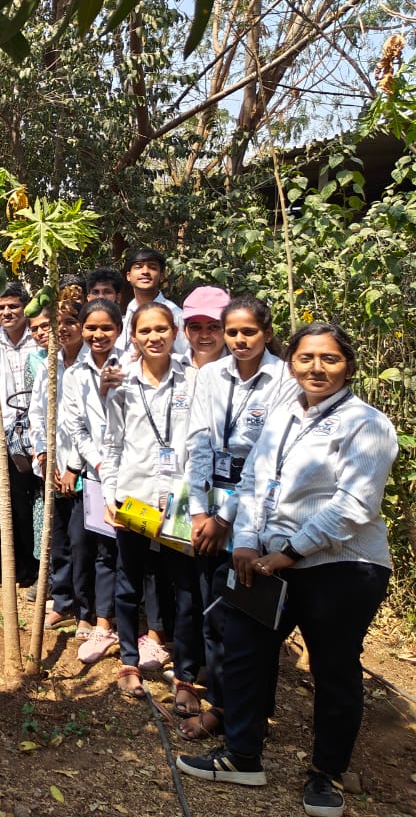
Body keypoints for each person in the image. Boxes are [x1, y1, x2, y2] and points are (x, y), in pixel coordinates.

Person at [178, 323, 397, 817]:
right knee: (243, 651)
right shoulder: (283, 416)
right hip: (269, 562)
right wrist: (246, 541)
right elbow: (253, 482)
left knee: (333, 668)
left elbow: (354, 504)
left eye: (329, 359)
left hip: (340, 567)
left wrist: (290, 553)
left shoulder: (366, 423)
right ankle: (242, 755)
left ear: (348, 366)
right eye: (306, 358)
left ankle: (326, 774)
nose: (316, 368)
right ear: (292, 362)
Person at [178, 295, 290, 741]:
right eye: (233, 332)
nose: (240, 340)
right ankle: (224, 705)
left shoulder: (284, 378)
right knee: (213, 609)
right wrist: (199, 510)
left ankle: (247, 712)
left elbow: (267, 458)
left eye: (249, 331)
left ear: (266, 333)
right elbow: (199, 441)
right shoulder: (211, 375)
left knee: (249, 616)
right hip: (212, 502)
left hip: (257, 508)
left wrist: (225, 518)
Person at [100, 302, 199, 700]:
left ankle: (186, 674)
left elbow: (200, 447)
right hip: (134, 497)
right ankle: (129, 660)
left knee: (184, 589)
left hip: (179, 501)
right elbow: (113, 442)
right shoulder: (121, 383)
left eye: (161, 329)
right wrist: (110, 495)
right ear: (133, 336)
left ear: (175, 332)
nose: (154, 337)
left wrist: (182, 500)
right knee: (127, 582)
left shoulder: (193, 380)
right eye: (145, 331)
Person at [61, 298, 123, 660]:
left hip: (129, 473)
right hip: (95, 472)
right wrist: (95, 462)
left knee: (114, 551)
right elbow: (76, 427)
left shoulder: (131, 365)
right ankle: (90, 615)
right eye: (91, 327)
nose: (98, 334)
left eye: (106, 328)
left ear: (119, 330)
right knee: (85, 544)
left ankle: (109, 619)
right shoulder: (74, 374)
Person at [26, 285, 86, 629]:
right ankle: (62, 602)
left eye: (70, 322)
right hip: (52, 465)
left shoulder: (93, 366)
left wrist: (72, 467)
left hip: (83, 470)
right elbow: (37, 412)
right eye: (57, 323)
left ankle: (87, 609)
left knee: (83, 541)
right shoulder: (50, 364)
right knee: (59, 537)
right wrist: (44, 453)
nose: (63, 329)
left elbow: (91, 424)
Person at [0, 281, 41, 587]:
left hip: (40, 431)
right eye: (1, 307)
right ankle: (22, 565)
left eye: (13, 306)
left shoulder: (39, 339)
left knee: (41, 499)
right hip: (9, 434)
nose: (7, 312)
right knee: (16, 502)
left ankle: (42, 566)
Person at [116, 248, 187, 355]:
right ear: (128, 276)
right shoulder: (128, 312)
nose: (145, 271)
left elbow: (184, 354)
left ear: (162, 276)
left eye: (152, 267)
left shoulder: (175, 315)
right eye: (138, 267)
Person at [181, 286, 229, 372]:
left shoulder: (243, 372)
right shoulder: (171, 367)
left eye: (214, 327)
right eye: (196, 327)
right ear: (184, 331)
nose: (204, 335)